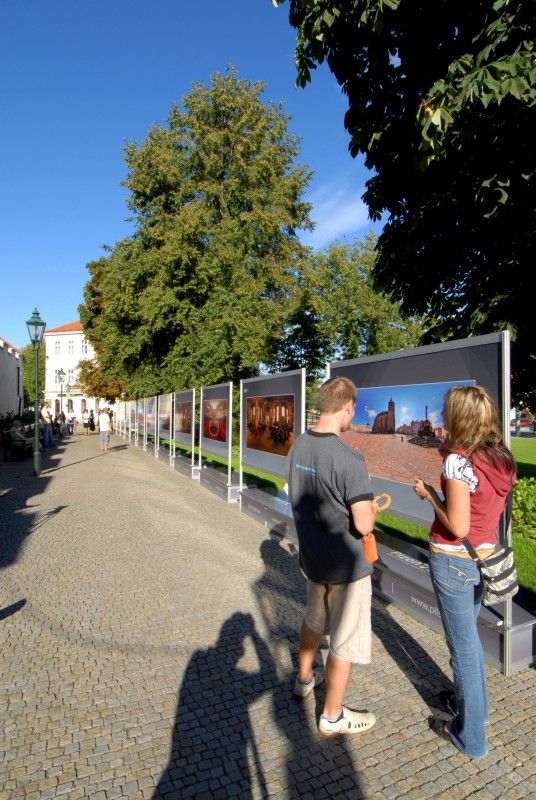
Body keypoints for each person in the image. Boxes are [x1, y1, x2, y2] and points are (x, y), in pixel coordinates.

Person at [414, 385, 516, 759]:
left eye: (446, 411)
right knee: (469, 642)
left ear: (459, 417)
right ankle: (478, 712)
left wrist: (430, 495)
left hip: (454, 560)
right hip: (482, 559)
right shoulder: (501, 458)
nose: (442, 416)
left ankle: (469, 736)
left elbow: (456, 526)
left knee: (463, 650)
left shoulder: (459, 460)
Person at [286, 376, 377, 737]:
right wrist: (368, 507)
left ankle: (304, 680)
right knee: (344, 640)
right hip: (346, 567)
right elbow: (364, 521)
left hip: (313, 560)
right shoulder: (349, 458)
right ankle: (333, 716)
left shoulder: (298, 447)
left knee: (312, 619)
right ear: (348, 407)